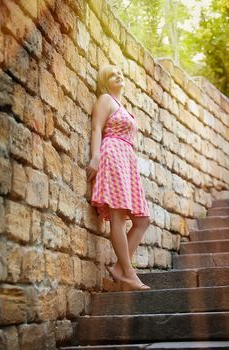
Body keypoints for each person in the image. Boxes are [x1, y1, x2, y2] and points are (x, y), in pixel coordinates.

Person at [87, 64, 151, 291]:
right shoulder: (104, 99)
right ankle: (129, 273)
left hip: (127, 160)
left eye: (121, 72)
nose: (119, 75)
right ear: (104, 81)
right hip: (112, 155)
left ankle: (118, 268)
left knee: (143, 220)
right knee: (119, 218)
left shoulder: (120, 104)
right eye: (112, 74)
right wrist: (95, 157)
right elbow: (97, 129)